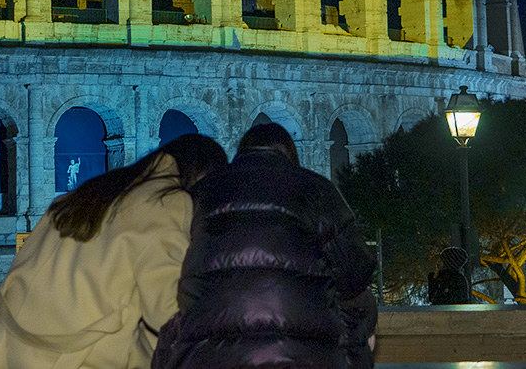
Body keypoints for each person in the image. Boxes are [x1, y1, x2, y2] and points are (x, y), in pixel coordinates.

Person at [0, 133, 228, 369]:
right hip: (75, 358)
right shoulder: (166, 202)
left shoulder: (93, 191)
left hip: (11, 345)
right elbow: (167, 313)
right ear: (203, 177)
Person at [153, 122, 377, 369]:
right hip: (304, 356)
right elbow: (357, 270)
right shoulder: (317, 188)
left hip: (209, 355)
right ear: (291, 153)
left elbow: (175, 268)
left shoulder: (201, 192)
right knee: (360, 304)